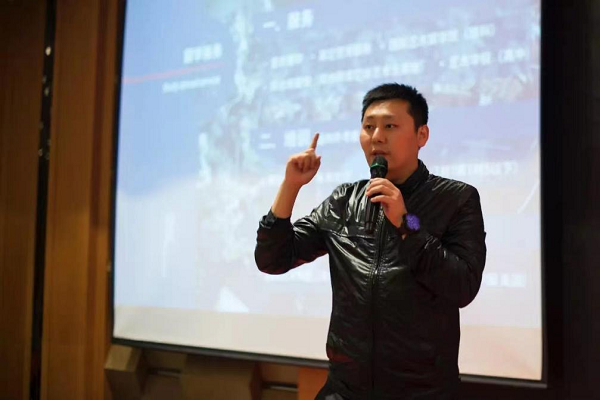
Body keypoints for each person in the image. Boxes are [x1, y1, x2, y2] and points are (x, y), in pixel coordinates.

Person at [255, 83, 487, 399]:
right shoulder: (344, 200)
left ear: (421, 135)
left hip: (423, 392)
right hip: (345, 391)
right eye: (368, 127)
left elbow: (463, 286)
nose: (376, 137)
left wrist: (407, 222)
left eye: (390, 126)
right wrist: (290, 186)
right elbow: (272, 259)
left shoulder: (456, 199)